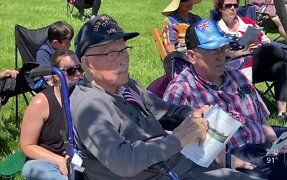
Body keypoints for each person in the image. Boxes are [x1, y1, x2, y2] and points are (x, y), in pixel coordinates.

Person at [71, 14, 261, 180]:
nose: (122, 59)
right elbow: (124, 161)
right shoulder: (90, 108)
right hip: (165, 174)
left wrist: (192, 114)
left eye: (123, 50)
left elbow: (167, 110)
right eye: (112, 53)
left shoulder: (127, 86)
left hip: (182, 166)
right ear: (88, 64)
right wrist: (178, 138)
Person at [163, 18, 287, 180]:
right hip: (227, 161)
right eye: (212, 52)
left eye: (223, 49)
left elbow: (261, 121)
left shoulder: (237, 77)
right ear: (192, 56)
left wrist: (277, 142)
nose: (220, 57)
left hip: (265, 150)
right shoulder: (181, 89)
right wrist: (226, 160)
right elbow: (174, 143)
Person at [213, 0, 287, 123]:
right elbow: (217, 55)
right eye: (228, 6)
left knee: (280, 65)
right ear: (219, 8)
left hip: (257, 66)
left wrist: (258, 44)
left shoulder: (247, 22)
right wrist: (243, 52)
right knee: (267, 49)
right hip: (235, 71)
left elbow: (266, 41)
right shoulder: (216, 29)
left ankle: (282, 112)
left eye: (235, 5)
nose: (232, 8)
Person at [20, 49, 83, 179]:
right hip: (47, 162)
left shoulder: (84, 97)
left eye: (80, 68)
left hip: (77, 158)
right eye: (71, 71)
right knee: (36, 170)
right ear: (56, 76)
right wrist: (59, 161)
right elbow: (27, 145)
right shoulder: (41, 102)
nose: (78, 74)